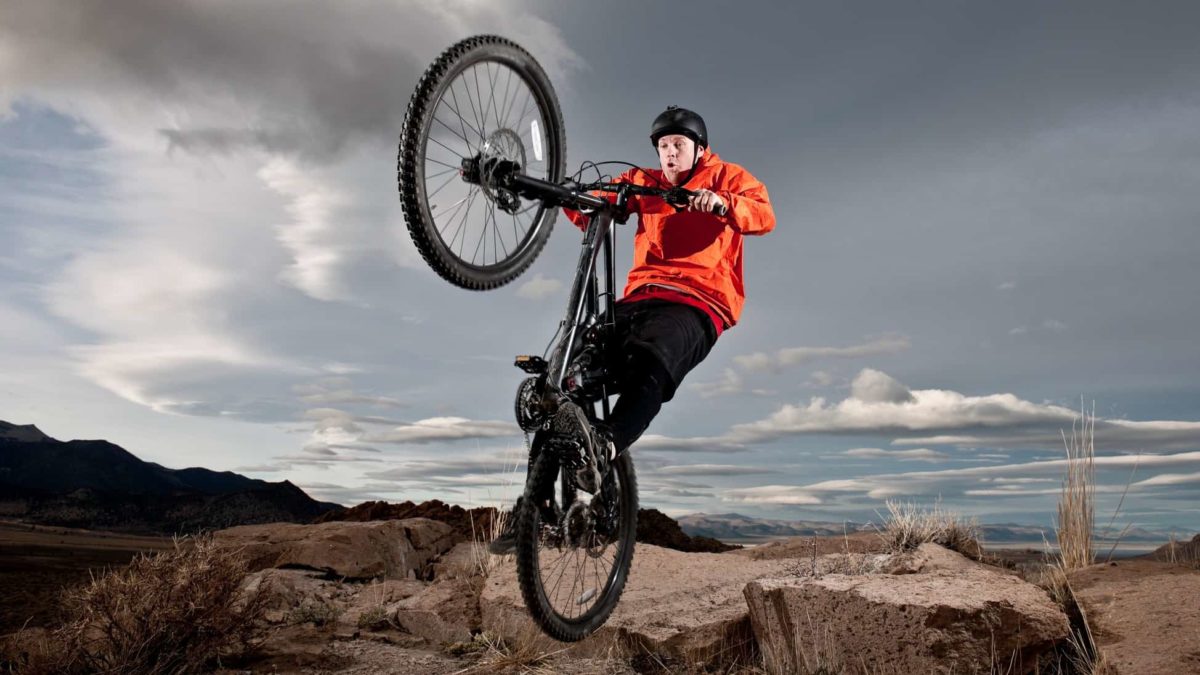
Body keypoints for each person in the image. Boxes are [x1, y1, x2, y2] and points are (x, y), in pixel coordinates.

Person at [489, 105, 774, 554]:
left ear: (699, 148)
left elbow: (763, 215)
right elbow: (589, 205)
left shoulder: (728, 178)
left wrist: (722, 204)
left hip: (699, 302)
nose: (670, 153)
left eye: (678, 144)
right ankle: (534, 508)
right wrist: (535, 187)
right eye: (663, 146)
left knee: (652, 356)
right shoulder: (644, 183)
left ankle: (607, 444)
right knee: (563, 374)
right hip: (639, 298)